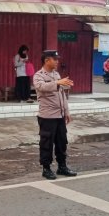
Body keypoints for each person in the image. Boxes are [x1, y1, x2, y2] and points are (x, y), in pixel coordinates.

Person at [33, 50, 77, 180]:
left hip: (59, 115)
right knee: (46, 143)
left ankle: (62, 167)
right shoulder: (38, 75)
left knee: (62, 142)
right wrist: (58, 83)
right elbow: (41, 87)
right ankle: (46, 169)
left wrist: (67, 111)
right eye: (55, 59)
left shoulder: (56, 74)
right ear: (47, 60)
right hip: (47, 116)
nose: (57, 61)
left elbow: (62, 95)